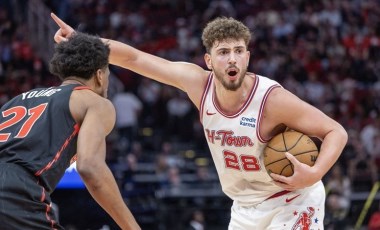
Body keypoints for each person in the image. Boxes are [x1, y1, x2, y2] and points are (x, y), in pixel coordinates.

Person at [51, 13, 348, 229]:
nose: (232, 59)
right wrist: (83, 42)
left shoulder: (272, 100)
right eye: (223, 52)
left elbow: (335, 131)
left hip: (291, 200)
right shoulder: (197, 83)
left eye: (238, 51)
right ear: (208, 60)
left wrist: (314, 173)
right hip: (244, 207)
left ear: (247, 57)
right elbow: (136, 60)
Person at [0, 32, 140, 229]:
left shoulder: (18, 99)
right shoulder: (95, 102)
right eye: (108, 73)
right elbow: (89, 167)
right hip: (15, 191)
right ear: (100, 75)